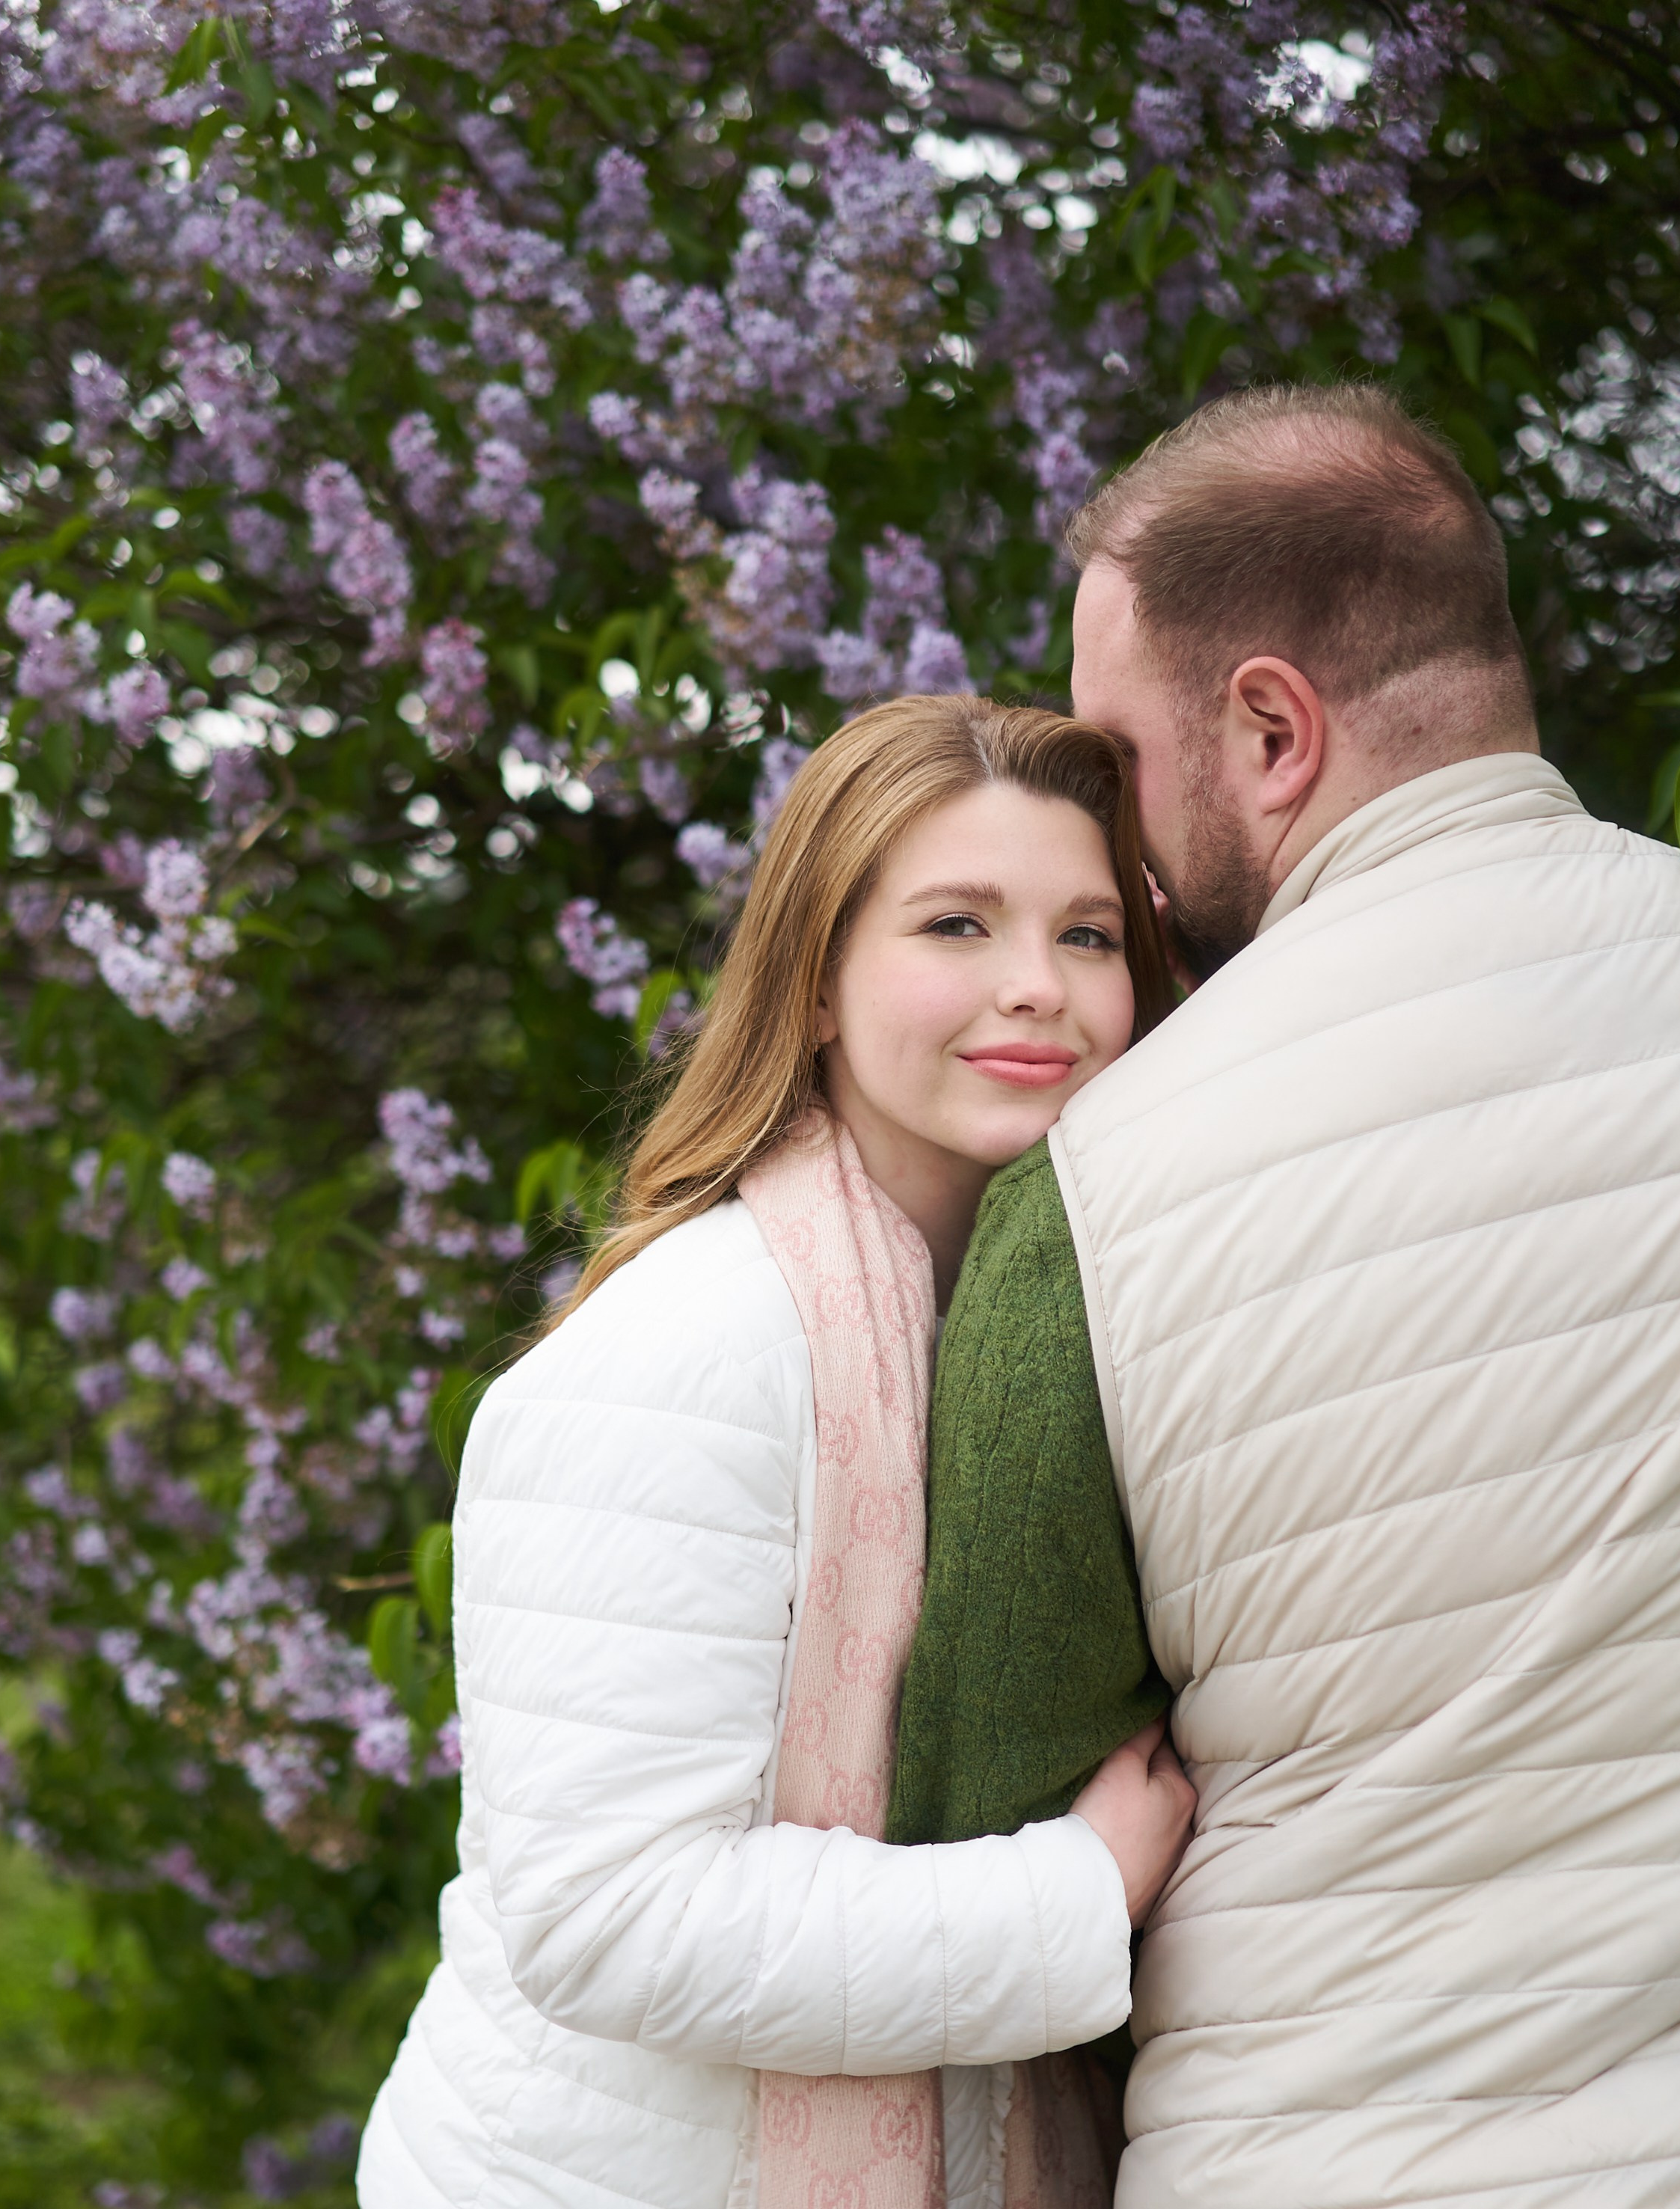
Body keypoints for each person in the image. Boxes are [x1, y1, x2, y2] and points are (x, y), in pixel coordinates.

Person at [895, 382, 1680, 2207]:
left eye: (1113, 763)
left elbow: (988, 1826)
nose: (1107, 842)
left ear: (1270, 726)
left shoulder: (1096, 1191)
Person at [356, 696, 1198, 2209]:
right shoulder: (687, 1346)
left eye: (1086, 937)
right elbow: (606, 1916)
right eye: (956, 924)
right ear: (813, 986)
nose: (1039, 989)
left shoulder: (1043, 1338)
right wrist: (1071, 1891)